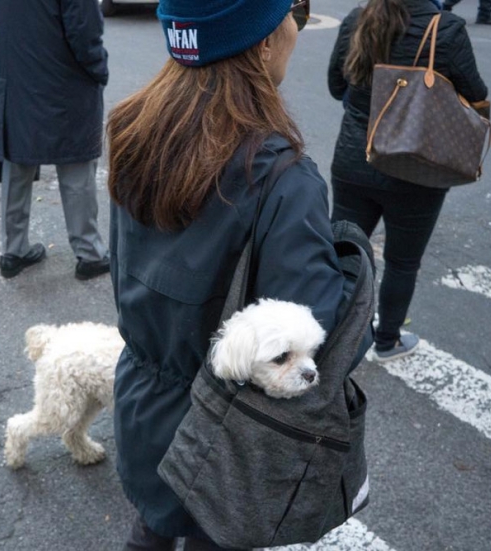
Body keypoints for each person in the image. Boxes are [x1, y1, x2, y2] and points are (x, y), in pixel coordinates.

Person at [106, 0, 351, 548]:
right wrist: (355, 273)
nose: (297, 24)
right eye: (295, 9)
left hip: (143, 401)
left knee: (152, 522)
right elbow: (312, 337)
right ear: (262, 41)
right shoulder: (281, 178)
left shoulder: (135, 128)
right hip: (224, 431)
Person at [327, 0, 488, 361]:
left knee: (343, 251)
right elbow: (475, 93)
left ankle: (332, 335)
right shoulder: (444, 29)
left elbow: (337, 87)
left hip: (355, 157)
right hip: (417, 167)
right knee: (402, 262)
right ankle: (387, 341)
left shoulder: (357, 19)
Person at [0, 0, 112, 280]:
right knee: (76, 163)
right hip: (65, 81)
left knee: (16, 162)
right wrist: (99, 70)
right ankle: (90, 253)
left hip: (10, 81)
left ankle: (13, 251)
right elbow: (84, 30)